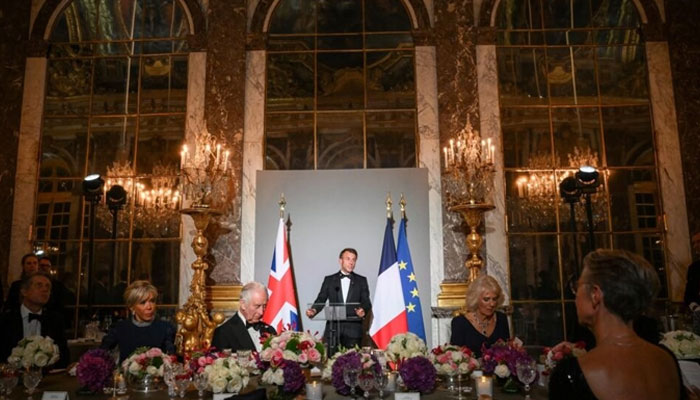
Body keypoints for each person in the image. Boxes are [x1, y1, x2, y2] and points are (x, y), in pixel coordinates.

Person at [549, 249, 683, 400]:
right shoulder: (666, 359)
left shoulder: (571, 374)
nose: (575, 295)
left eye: (577, 285)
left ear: (595, 295)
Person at [306, 248, 372, 354]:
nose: (351, 262)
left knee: (353, 365)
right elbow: (321, 298)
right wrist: (314, 310)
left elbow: (366, 301)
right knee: (331, 364)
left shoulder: (361, 281)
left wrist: (363, 310)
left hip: (353, 330)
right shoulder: (329, 280)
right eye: (348, 259)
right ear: (340, 261)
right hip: (333, 330)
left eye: (354, 260)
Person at [0, 272, 70, 368]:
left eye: (48, 287)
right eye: (39, 285)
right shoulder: (5, 320)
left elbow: (64, 357)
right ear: (24, 291)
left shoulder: (55, 320)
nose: (45, 289)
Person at [100, 280, 175, 362]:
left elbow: (173, 358)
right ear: (132, 307)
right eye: (143, 302)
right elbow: (100, 354)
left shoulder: (165, 328)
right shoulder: (120, 328)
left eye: (152, 301)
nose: (149, 307)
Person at [450, 274, 510, 357]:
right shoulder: (460, 323)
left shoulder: (501, 319)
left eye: (494, 299)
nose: (492, 304)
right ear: (475, 299)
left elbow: (507, 353)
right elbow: (455, 358)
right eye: (486, 299)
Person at [212, 282, 276, 352]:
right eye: (257, 306)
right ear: (243, 304)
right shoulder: (223, 333)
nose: (261, 312)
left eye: (264, 306)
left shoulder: (270, 330)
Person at [684, 232, 700, 333]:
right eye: (694, 243)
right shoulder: (693, 268)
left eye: (698, 242)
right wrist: (695, 307)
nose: (695, 246)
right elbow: (688, 295)